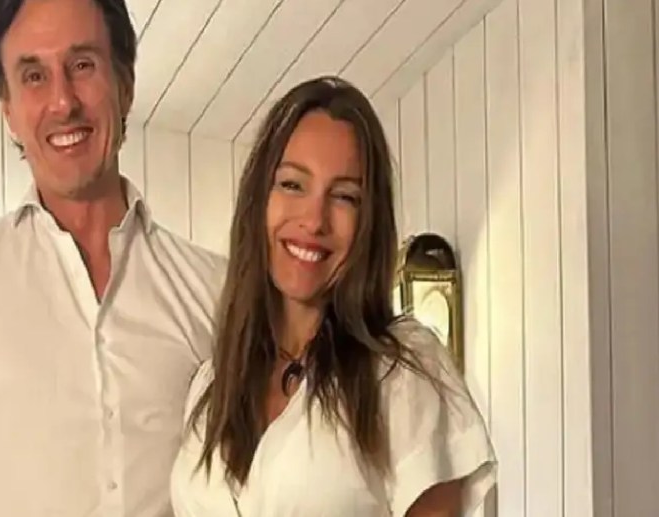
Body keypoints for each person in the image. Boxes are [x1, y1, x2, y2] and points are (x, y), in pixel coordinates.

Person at [0, 0, 225, 515]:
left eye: (82, 65)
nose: (63, 102)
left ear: (125, 84)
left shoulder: (216, 291)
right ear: (8, 109)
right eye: (34, 76)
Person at [169, 76, 497, 516]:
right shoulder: (210, 386)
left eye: (344, 196)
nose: (314, 220)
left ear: (369, 223)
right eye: (292, 184)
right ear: (258, 200)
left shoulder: (404, 370)